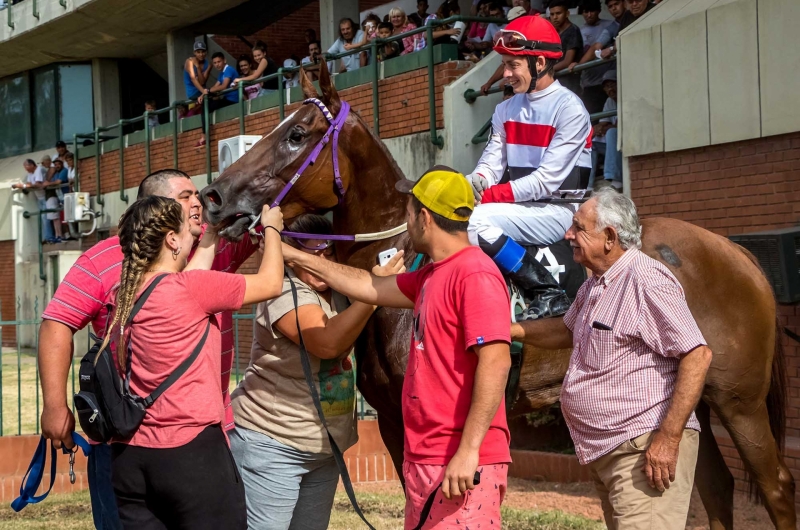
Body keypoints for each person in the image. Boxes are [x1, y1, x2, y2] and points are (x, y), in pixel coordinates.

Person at [282, 167, 512, 530]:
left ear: (423, 217)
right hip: (427, 455)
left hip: (461, 460)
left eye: (407, 210)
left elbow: (496, 362)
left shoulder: (474, 273)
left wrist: (468, 452)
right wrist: (292, 254)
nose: (404, 220)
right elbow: (368, 286)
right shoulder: (431, 274)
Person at [39, 169, 262, 530]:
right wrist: (53, 404)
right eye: (186, 197)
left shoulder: (206, 244)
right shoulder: (102, 259)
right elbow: (56, 323)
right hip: (128, 437)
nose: (198, 202)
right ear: (155, 210)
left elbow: (266, 217)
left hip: (205, 432)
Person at [510, 189, 712, 530]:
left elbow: (697, 354)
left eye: (578, 227)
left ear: (609, 237)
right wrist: (511, 329)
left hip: (642, 448)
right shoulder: (596, 284)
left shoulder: (646, 280)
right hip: (612, 450)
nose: (567, 235)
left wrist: (668, 438)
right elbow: (567, 329)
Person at [100, 196, 283, 528]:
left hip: (131, 458)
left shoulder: (123, 294)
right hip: (190, 455)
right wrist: (272, 229)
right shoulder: (192, 288)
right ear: (171, 239)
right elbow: (271, 282)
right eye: (187, 230)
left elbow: (184, 282)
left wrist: (210, 236)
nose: (192, 236)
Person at [229, 214, 405, 529]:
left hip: (324, 449)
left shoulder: (340, 289)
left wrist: (371, 285)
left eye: (328, 253)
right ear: (290, 256)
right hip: (273, 443)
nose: (320, 261)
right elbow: (326, 343)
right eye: (311, 253)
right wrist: (371, 296)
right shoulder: (282, 291)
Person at [466, 15, 592, 321]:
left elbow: (546, 182)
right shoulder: (505, 109)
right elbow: (491, 164)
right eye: (505, 65)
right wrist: (475, 182)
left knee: (478, 221)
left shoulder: (569, 108)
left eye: (513, 66)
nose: (505, 74)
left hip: (560, 211)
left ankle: (545, 291)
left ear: (539, 63)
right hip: (522, 207)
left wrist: (493, 195)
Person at [573, 0, 615, 113]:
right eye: (586, 12)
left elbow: (596, 47)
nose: (589, 15)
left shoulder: (610, 25)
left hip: (608, 82)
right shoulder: (579, 31)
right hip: (588, 84)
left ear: (599, 11)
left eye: (592, 11)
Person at [478, 6, 531, 94]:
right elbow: (505, 64)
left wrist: (511, 79)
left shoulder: (534, 35)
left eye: (517, 21)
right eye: (512, 22)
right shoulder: (514, 39)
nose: (515, 25)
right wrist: (489, 83)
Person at [589, 70, 621, 190]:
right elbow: (602, 125)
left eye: (612, 84)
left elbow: (619, 127)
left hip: (627, 143)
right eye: (606, 87)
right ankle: (588, 185)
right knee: (590, 142)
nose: (610, 89)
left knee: (612, 133)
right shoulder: (609, 101)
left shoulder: (627, 97)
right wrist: (599, 128)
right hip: (613, 144)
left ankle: (616, 179)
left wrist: (606, 128)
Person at [12, 158, 54, 243]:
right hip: (39, 198)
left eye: (26, 166)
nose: (25, 168)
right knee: (43, 218)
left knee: (46, 218)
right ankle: (47, 237)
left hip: (46, 196)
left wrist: (22, 186)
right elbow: (30, 184)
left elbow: (38, 184)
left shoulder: (38, 169)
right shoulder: (30, 173)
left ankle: (49, 237)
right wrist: (25, 185)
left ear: (32, 165)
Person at [549, 0, 583, 95]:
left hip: (569, 82)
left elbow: (567, 61)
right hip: (556, 82)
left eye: (558, 13)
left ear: (567, 13)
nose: (555, 17)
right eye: (552, 14)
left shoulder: (572, 30)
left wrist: (546, 70)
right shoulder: (555, 33)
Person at [44, 158, 70, 243]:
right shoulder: (56, 172)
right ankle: (60, 235)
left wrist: (48, 184)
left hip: (67, 196)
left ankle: (68, 234)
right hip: (61, 197)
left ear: (62, 164)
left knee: (68, 216)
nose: (57, 166)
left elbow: (58, 182)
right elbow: (50, 180)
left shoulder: (64, 171)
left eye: (58, 164)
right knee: (62, 217)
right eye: (55, 165)